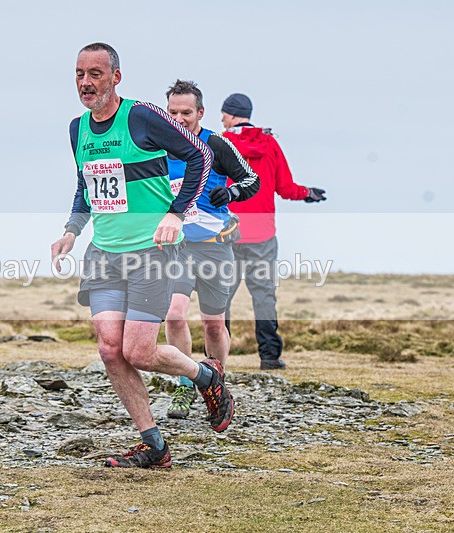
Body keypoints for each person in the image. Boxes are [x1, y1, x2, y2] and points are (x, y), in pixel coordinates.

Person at [50, 43, 234, 469]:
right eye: (79, 74)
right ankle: (154, 444)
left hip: (152, 252)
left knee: (138, 351)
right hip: (104, 254)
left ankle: (207, 377)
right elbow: (86, 186)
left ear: (116, 76)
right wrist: (71, 231)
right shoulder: (77, 129)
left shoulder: (141, 116)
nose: (85, 82)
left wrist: (175, 212)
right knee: (110, 350)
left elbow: (199, 156)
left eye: (95, 73)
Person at [162, 80, 261, 419]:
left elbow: (252, 180)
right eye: (173, 112)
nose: (179, 118)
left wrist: (232, 195)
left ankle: (217, 381)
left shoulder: (215, 144)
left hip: (215, 248)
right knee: (174, 313)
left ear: (200, 113)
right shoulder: (158, 147)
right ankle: (184, 385)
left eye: (186, 112)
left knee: (213, 324)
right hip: (176, 248)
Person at [220, 93, 327, 370]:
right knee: (264, 296)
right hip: (262, 235)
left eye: (223, 114)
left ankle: (217, 357)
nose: (221, 118)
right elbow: (286, 187)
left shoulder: (221, 143)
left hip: (226, 232)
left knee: (220, 297)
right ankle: (269, 357)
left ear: (231, 115)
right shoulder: (269, 144)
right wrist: (308, 193)